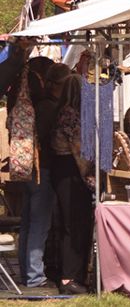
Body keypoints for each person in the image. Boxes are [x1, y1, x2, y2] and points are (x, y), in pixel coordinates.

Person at [47, 69, 93, 294]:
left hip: (60, 169)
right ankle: (69, 278)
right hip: (69, 171)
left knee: (66, 221)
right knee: (74, 223)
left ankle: (65, 272)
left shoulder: (61, 111)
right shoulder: (72, 114)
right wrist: (89, 177)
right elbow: (79, 150)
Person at [20, 57, 56, 291]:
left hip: (29, 167)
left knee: (29, 222)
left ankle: (27, 272)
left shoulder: (25, 101)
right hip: (42, 167)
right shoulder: (45, 106)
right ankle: (34, 275)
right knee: (39, 223)